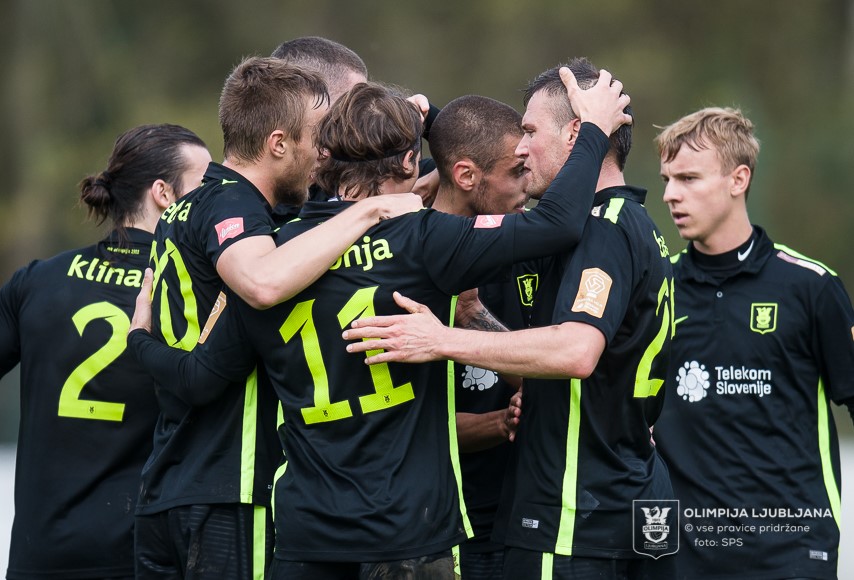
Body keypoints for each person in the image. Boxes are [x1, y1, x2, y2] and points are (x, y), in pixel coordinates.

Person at [128, 74, 629, 579]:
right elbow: (557, 223)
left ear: (322, 157)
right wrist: (593, 129)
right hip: (407, 532)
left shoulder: (274, 254)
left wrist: (140, 341)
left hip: (306, 537)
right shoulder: (423, 238)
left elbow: (200, 378)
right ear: (410, 163)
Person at [343, 57, 677, 580]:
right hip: (619, 495)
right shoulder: (626, 223)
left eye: (530, 131)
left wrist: (440, 338)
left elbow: (575, 351)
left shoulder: (603, 229)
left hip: (575, 514)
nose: (520, 147)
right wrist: (474, 315)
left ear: (577, 133)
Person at [136, 57, 421, 580]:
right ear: (279, 144)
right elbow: (263, 283)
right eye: (317, 138)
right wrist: (370, 210)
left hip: (171, 483)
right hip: (232, 485)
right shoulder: (236, 207)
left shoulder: (189, 207)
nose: (325, 153)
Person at [0, 124, 211, 580]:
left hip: (38, 556)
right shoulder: (189, 294)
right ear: (163, 194)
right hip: (138, 556)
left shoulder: (36, 279)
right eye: (204, 188)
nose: (215, 202)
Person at [651, 107, 854, 579]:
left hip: (791, 553)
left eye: (688, 178)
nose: (670, 194)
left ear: (738, 179)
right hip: (682, 557)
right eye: (667, 179)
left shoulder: (811, 287)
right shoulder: (656, 289)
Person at [428, 93, 530, 580]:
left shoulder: (529, 247)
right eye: (516, 171)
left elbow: (548, 383)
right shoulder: (405, 261)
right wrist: (499, 423)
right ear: (467, 176)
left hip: (515, 517)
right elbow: (416, 426)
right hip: (434, 525)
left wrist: (472, 316)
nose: (528, 183)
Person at [269, 35, 439, 227]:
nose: (362, 114)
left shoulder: (369, 167)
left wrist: (426, 117)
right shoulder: (251, 199)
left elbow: (466, 157)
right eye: (349, 106)